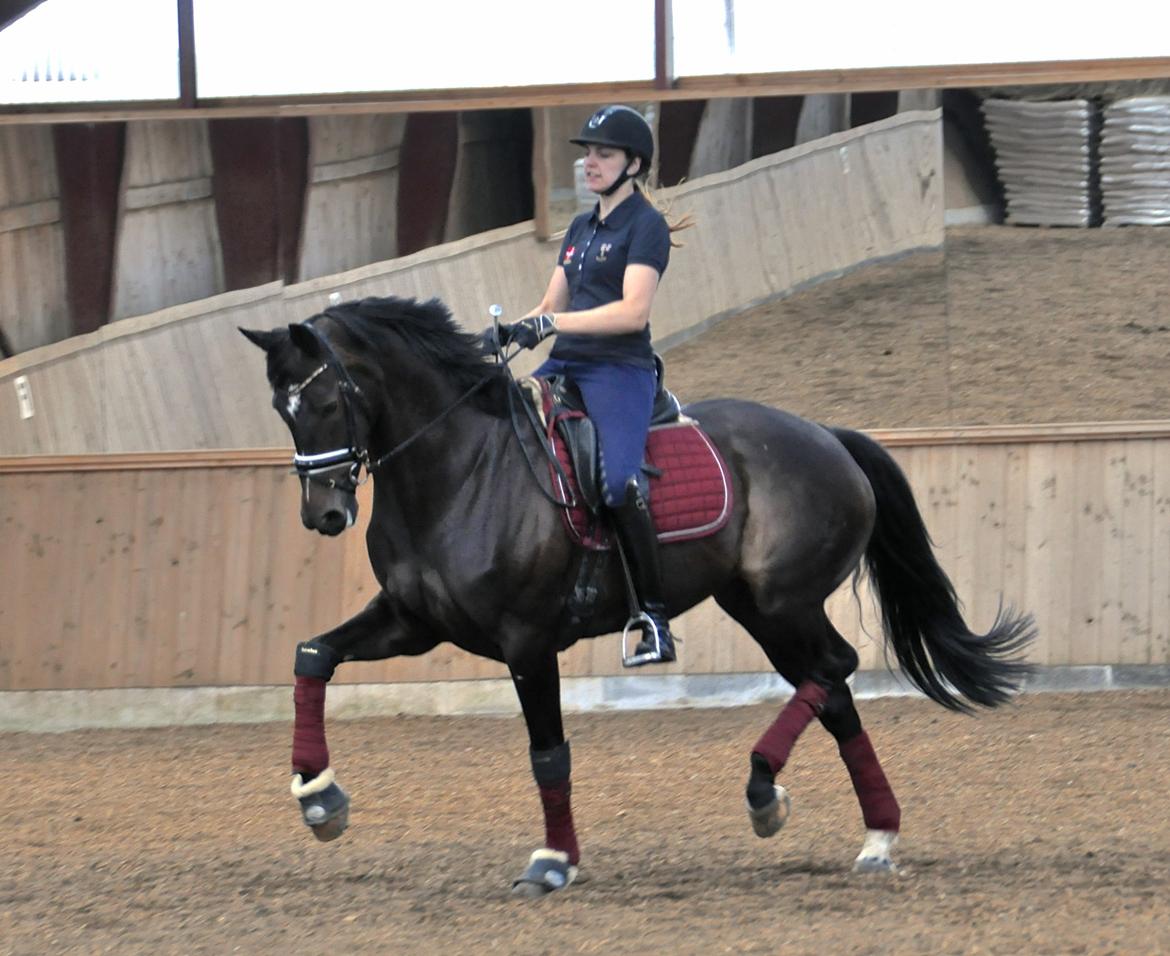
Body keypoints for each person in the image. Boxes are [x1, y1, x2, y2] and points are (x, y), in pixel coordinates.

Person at [495, 104, 691, 666]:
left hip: (618, 370)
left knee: (618, 483)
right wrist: (510, 331)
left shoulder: (644, 226)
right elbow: (550, 306)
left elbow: (632, 312)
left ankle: (654, 618)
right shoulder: (580, 229)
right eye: (587, 154)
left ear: (634, 163)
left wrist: (550, 325)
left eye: (603, 154)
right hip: (565, 365)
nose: (590, 163)